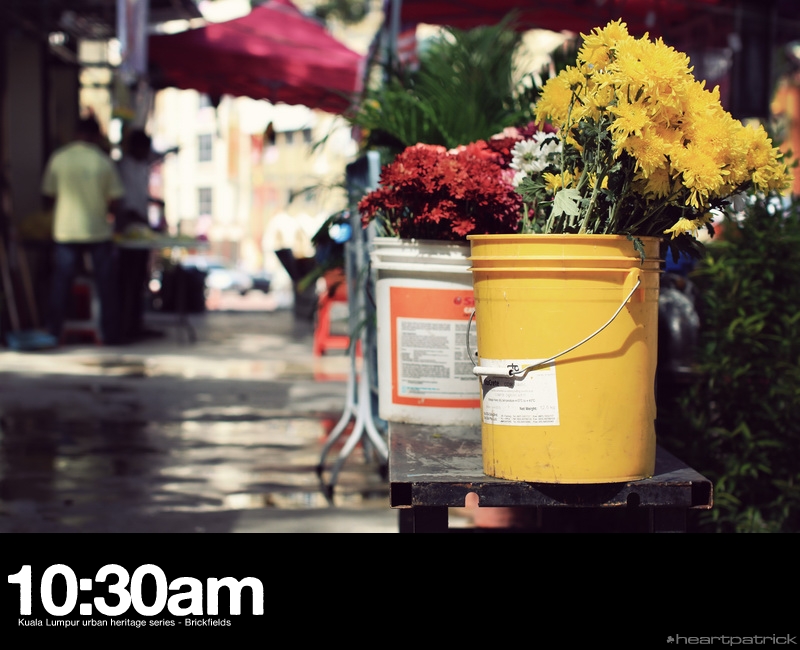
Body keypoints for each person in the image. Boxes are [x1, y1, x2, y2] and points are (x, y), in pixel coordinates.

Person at [41, 115, 125, 345]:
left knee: (61, 282)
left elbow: (48, 195)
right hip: (97, 230)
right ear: (97, 135)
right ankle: (112, 334)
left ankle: (53, 331)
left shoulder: (59, 158)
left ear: (76, 133)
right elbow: (115, 201)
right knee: (105, 283)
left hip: (65, 230)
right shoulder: (103, 161)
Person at [115, 128, 159, 341]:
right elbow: (125, 204)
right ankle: (124, 327)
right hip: (128, 232)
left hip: (141, 232)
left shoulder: (142, 167)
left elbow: (140, 198)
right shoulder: (124, 168)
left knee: (139, 281)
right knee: (127, 283)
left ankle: (136, 325)